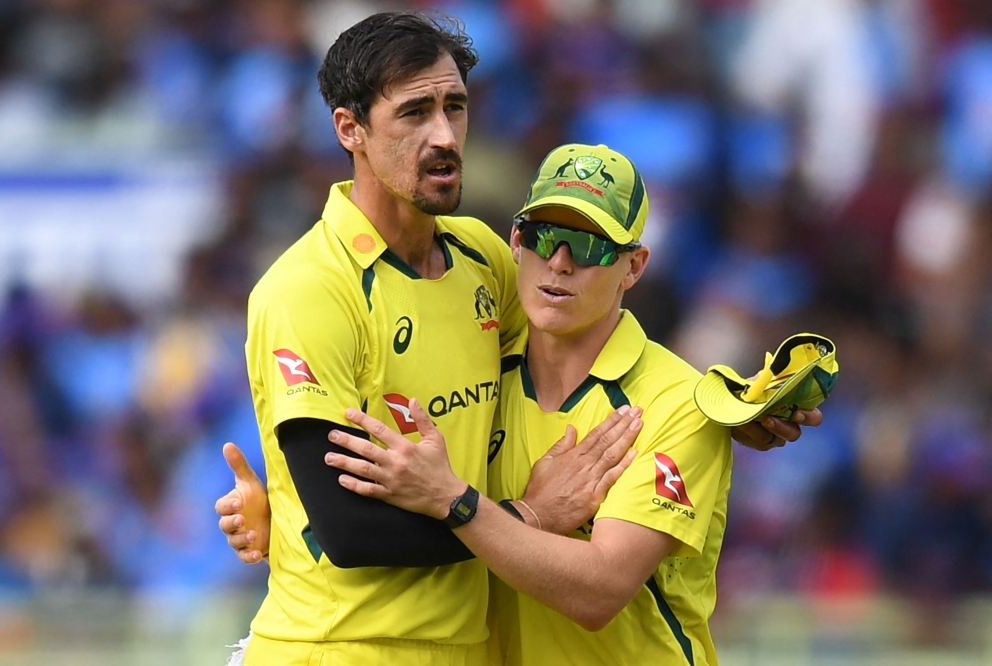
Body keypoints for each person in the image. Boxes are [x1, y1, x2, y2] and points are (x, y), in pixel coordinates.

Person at [223, 10, 818, 666]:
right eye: (415, 113)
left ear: (633, 263)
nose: (444, 134)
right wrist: (526, 514)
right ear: (350, 129)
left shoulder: (480, 261)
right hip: (333, 651)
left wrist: (733, 409)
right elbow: (348, 528)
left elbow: (591, 339)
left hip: (458, 651)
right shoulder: (310, 287)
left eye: (456, 107)